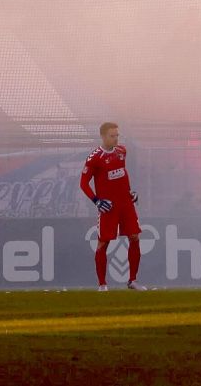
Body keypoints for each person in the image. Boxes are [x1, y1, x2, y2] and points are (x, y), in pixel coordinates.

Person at [80, 122, 147, 291]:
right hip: (108, 207)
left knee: (135, 237)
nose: (116, 138)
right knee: (103, 243)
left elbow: (122, 173)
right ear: (103, 136)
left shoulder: (122, 151)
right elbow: (83, 183)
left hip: (126, 203)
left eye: (117, 135)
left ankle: (133, 280)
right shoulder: (94, 158)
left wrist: (130, 192)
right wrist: (97, 201)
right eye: (112, 135)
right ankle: (102, 284)